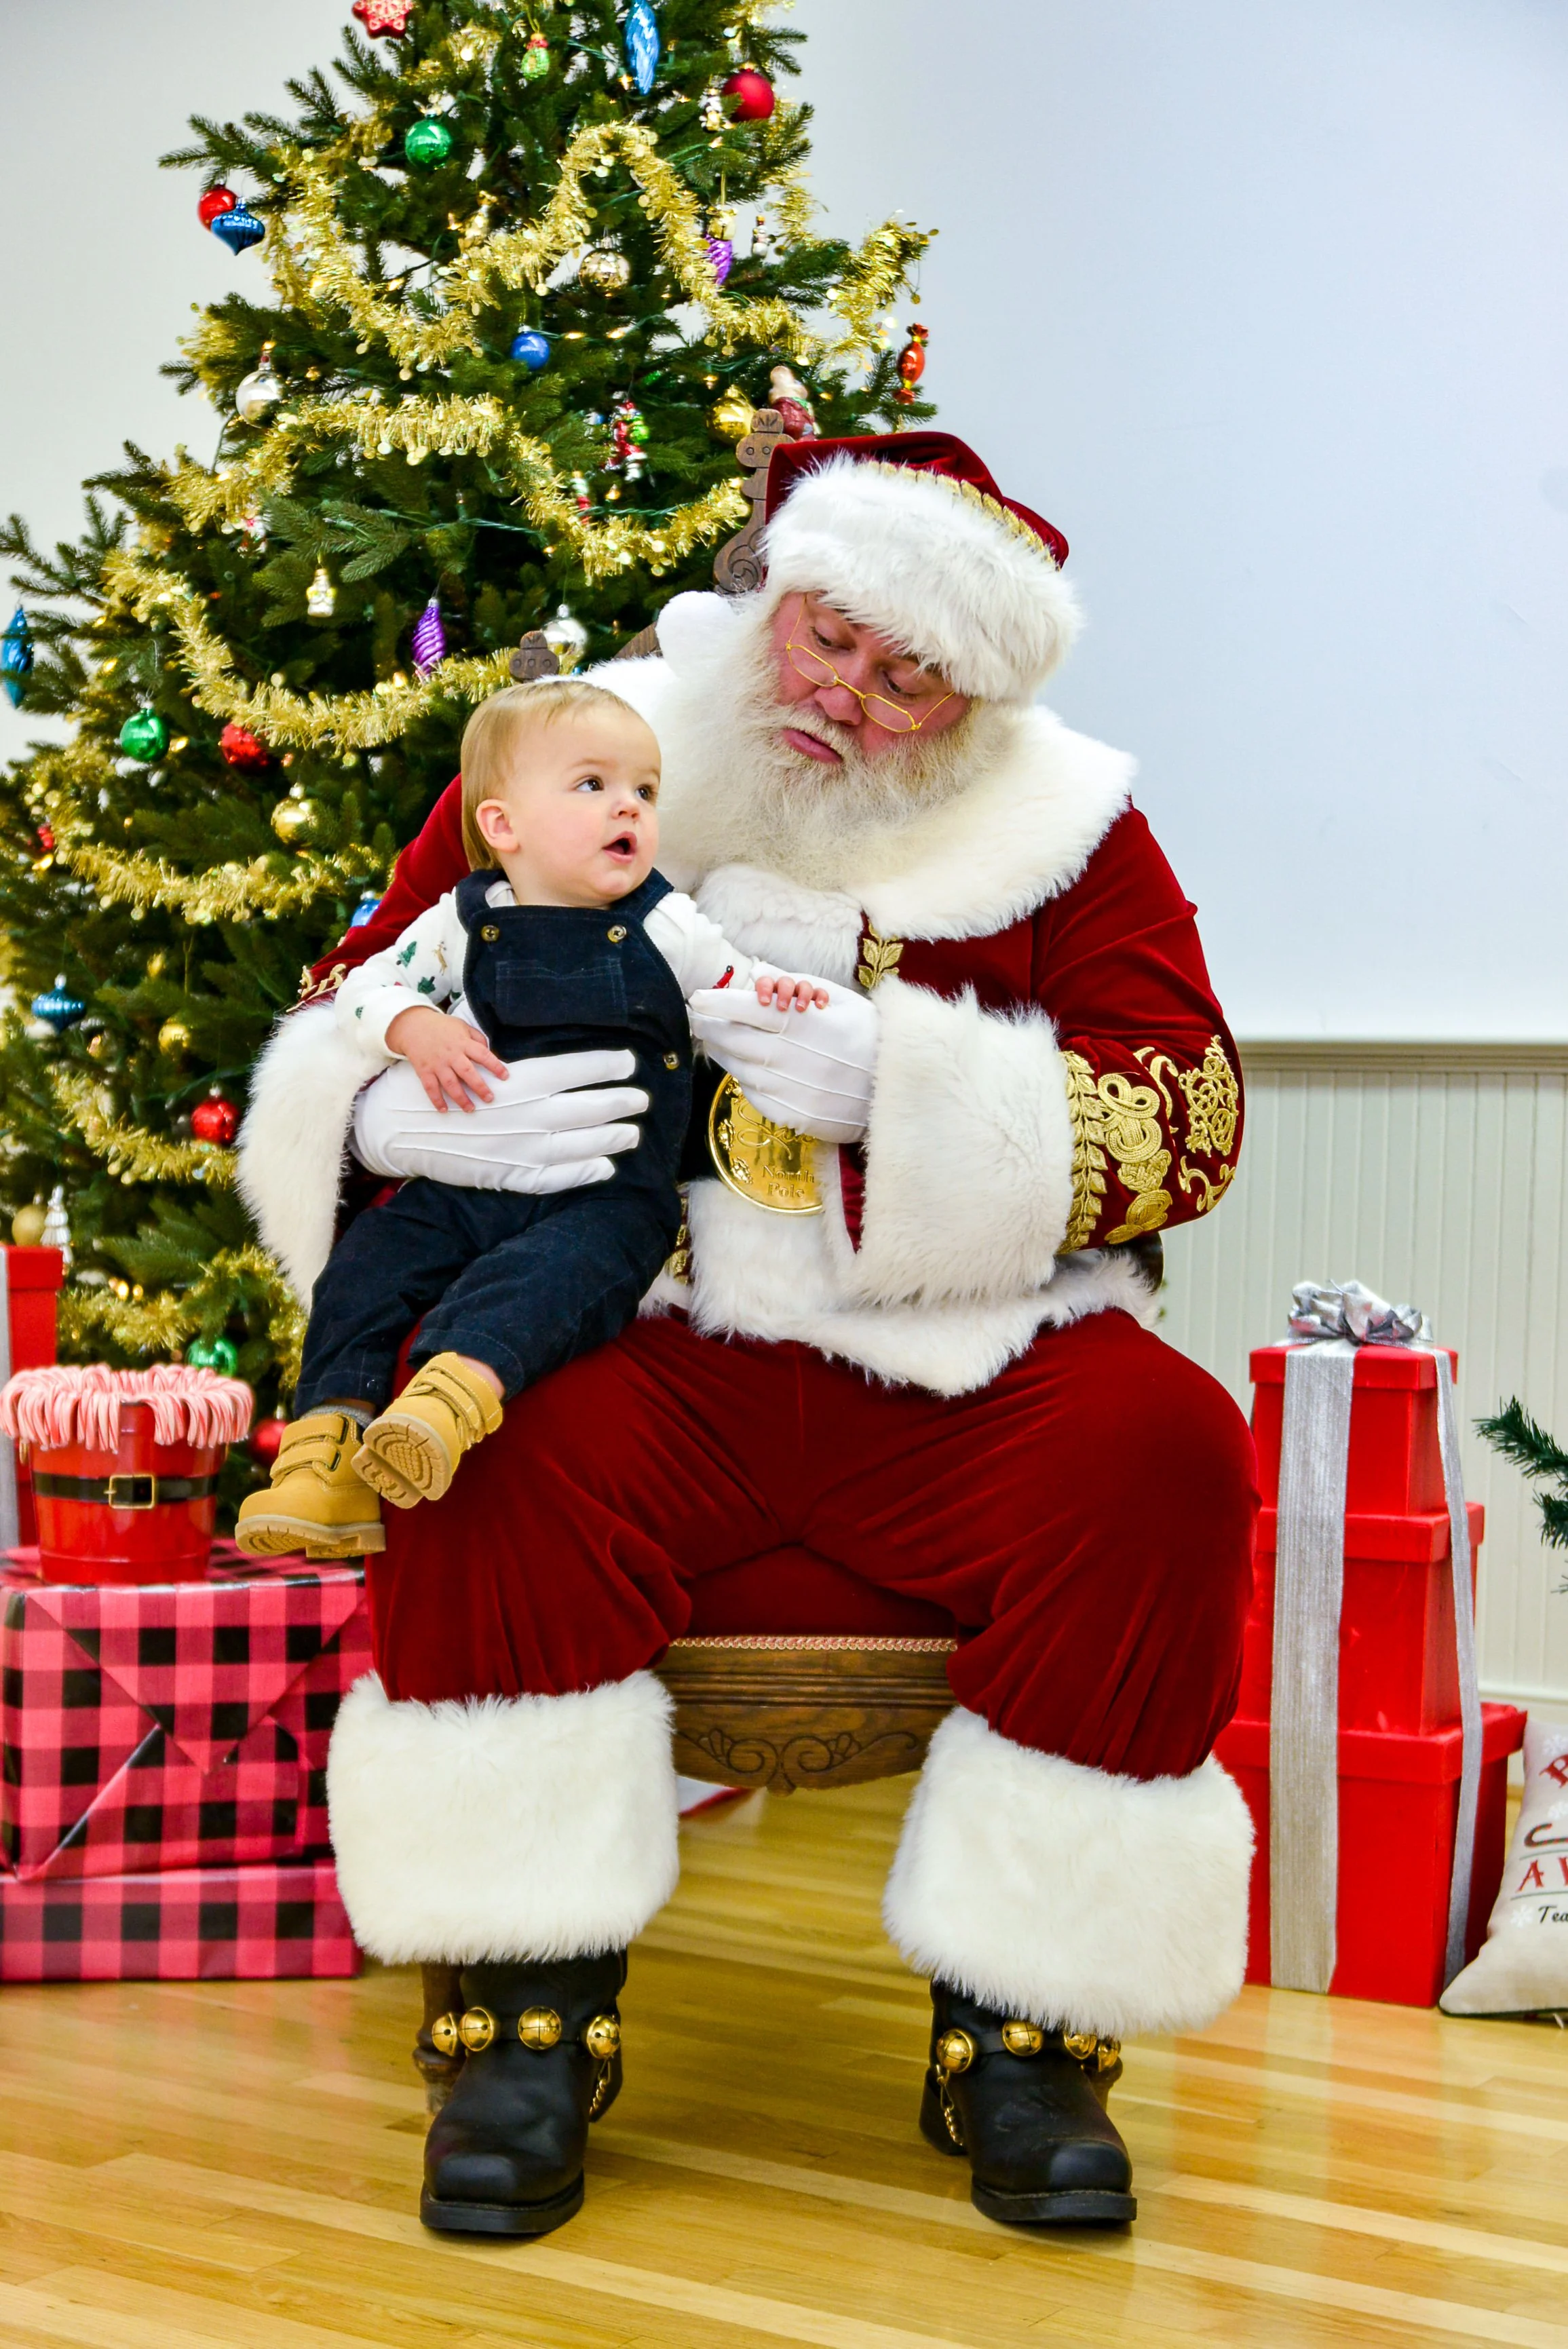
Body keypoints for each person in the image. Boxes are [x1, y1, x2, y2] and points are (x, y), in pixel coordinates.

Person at [239, 431, 1259, 2241]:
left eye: (905, 672)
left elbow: (1186, 1114)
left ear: (969, 701)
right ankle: (514, 2006)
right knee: (473, 1426)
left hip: (958, 1355)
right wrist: (392, 1116)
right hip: (629, 1326)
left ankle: (1028, 2023)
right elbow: (362, 983)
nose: (844, 693)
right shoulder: (588, 743)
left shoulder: (1070, 825)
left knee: (1161, 1444)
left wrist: (915, 1089)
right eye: (825, 637)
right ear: (770, 596)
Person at [235, 678, 827, 1559]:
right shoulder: (462, 920)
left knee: (553, 1277)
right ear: (504, 827)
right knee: (370, 1262)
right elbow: (369, 986)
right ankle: (326, 1449)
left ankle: (449, 1398)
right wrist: (415, 1024)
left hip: (608, 1193)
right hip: (472, 1175)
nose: (627, 805)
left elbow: (731, 983)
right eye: (592, 786)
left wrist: (773, 990)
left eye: (644, 791)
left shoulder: (664, 920)